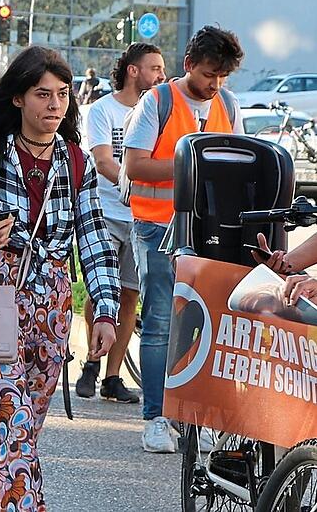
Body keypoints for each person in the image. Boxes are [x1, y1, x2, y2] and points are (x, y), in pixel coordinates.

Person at [0, 45, 120, 511]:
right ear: (17, 99)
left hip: (52, 301)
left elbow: (93, 241)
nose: (54, 106)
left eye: (63, 95)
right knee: (15, 428)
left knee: (24, 432)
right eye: (42, 95)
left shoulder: (77, 162)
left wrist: (105, 313)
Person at [124, 25, 244, 453]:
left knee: (208, 321)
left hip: (208, 230)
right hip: (156, 227)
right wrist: (191, 167)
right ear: (189, 64)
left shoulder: (227, 103)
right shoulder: (156, 101)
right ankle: (155, 417)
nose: (215, 85)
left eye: (222, 77)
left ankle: (197, 418)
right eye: (210, 74)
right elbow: (135, 165)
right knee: (159, 321)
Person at [75, 42, 165, 403]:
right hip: (107, 212)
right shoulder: (102, 110)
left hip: (142, 218)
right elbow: (103, 161)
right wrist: (134, 188)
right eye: (154, 68)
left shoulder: (157, 108)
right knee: (102, 291)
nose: (161, 75)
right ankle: (90, 363)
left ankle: (112, 378)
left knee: (130, 295)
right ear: (133, 70)